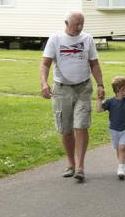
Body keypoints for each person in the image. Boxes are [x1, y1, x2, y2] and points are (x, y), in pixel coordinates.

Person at [40, 12, 105, 182]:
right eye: (76, 24)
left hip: (83, 87)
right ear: (66, 23)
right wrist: (44, 83)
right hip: (62, 89)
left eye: (81, 24)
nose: (79, 27)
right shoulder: (55, 39)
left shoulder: (87, 39)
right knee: (66, 128)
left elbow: (94, 64)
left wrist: (100, 84)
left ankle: (81, 166)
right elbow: (45, 63)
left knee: (81, 125)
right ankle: (71, 164)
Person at [96, 76, 125, 180]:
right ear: (121, 89)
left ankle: (121, 168)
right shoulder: (110, 102)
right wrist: (99, 99)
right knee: (118, 149)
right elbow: (99, 110)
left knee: (122, 147)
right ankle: (122, 164)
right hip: (114, 130)